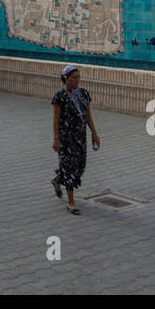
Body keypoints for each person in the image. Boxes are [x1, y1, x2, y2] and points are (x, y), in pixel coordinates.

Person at [51, 64, 100, 215]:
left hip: (80, 137)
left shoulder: (84, 94)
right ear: (66, 78)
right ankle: (71, 202)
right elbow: (56, 119)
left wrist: (94, 133)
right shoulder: (60, 96)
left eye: (78, 77)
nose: (76, 80)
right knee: (69, 167)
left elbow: (88, 116)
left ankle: (58, 181)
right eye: (73, 78)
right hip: (66, 138)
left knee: (80, 166)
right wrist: (56, 139)